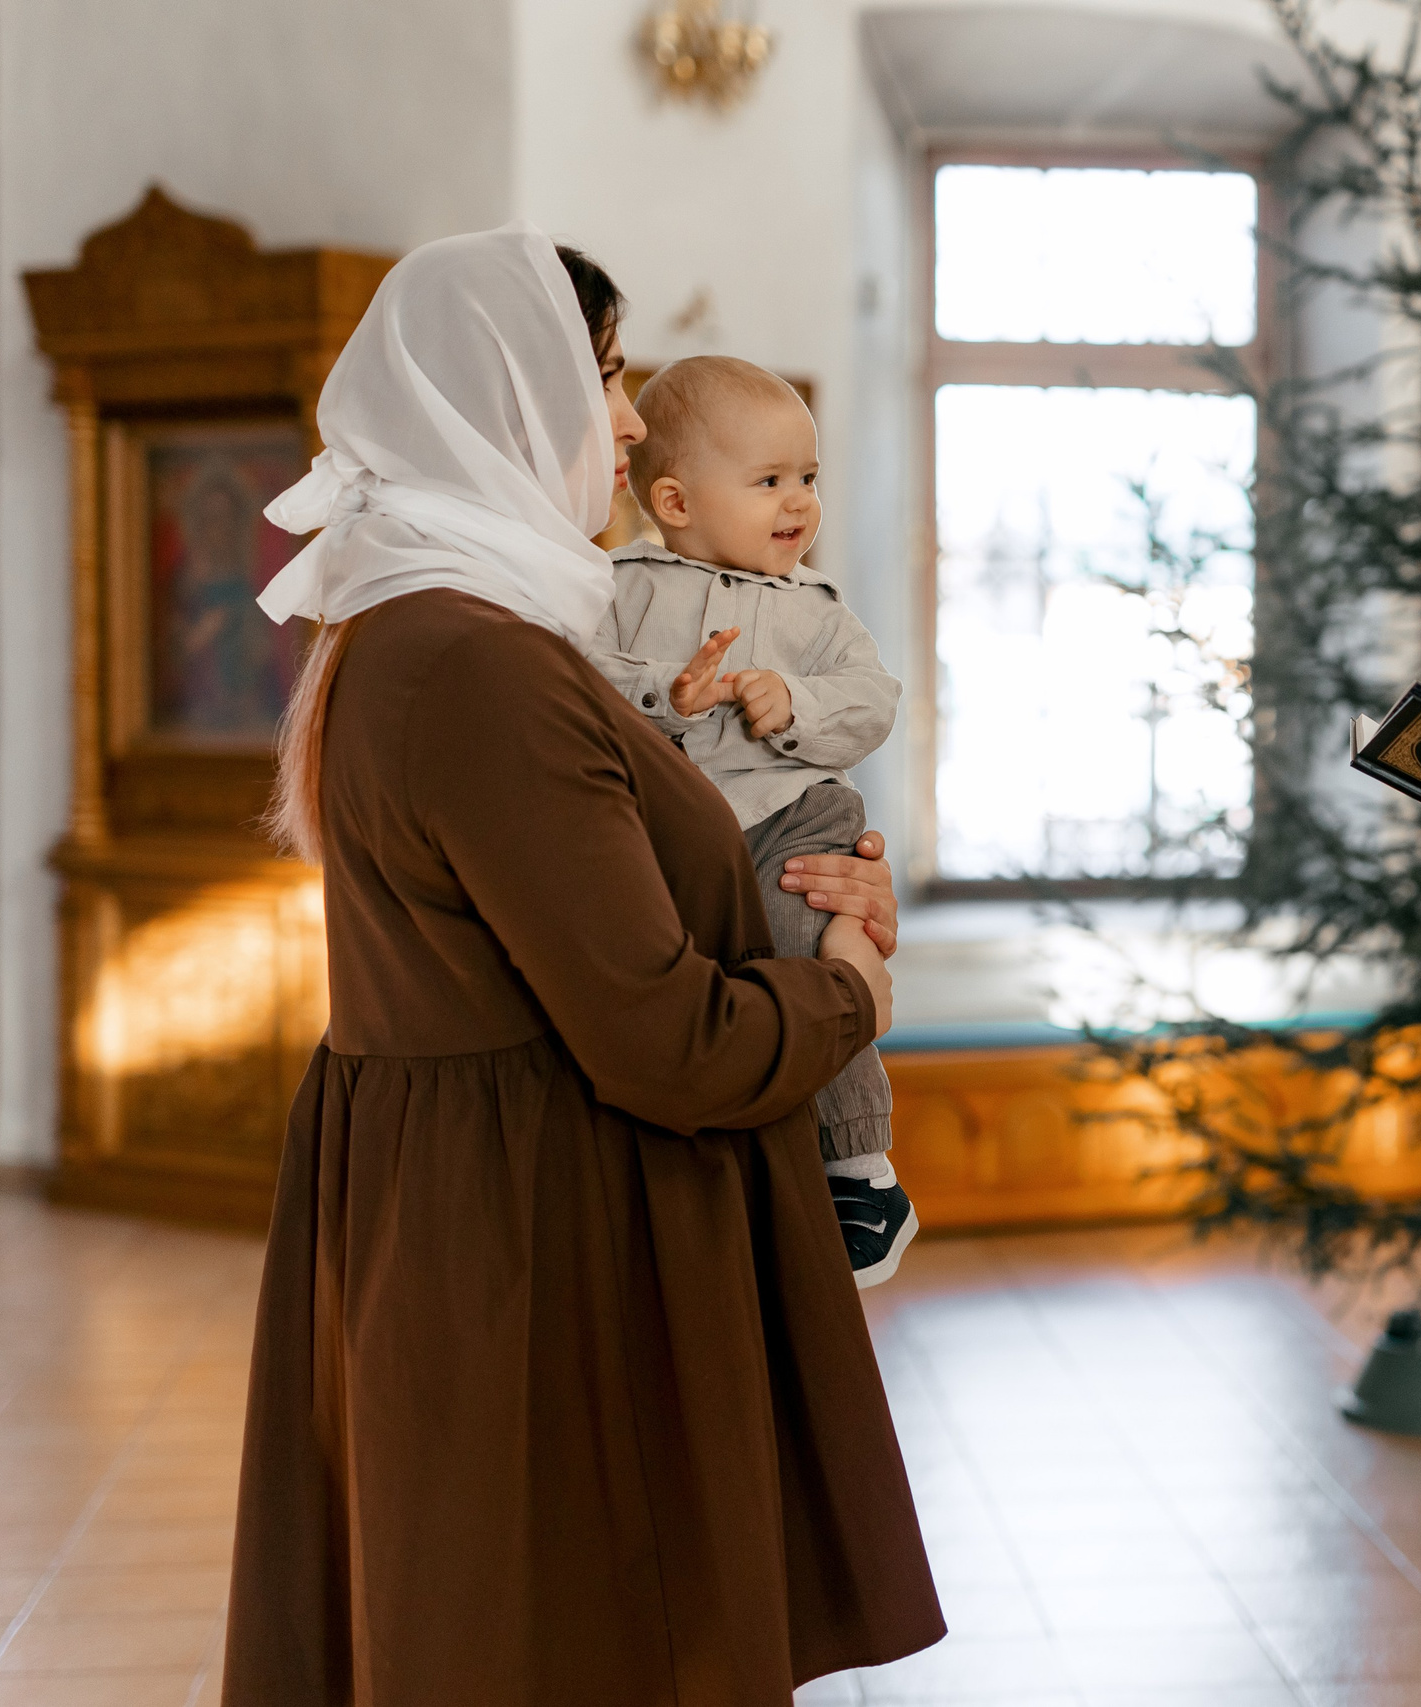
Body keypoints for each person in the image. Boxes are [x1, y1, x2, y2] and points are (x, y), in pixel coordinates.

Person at [221, 226, 944, 1705]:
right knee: (559, 1637)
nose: (625, 420)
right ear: (504, 399)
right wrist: (853, 983)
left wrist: (794, 891)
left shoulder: (432, 626)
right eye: (603, 377)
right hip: (546, 1240)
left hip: (504, 1212)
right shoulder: (480, 660)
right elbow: (665, 1037)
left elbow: (613, 901)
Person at [585, 355, 914, 1285]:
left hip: (794, 814)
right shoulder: (620, 586)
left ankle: (858, 1163)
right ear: (677, 503)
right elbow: (584, 676)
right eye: (769, 481)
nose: (798, 503)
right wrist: (670, 692)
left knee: (805, 943)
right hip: (680, 827)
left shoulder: (816, 607)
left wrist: (797, 702)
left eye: (808, 478)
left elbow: (873, 702)